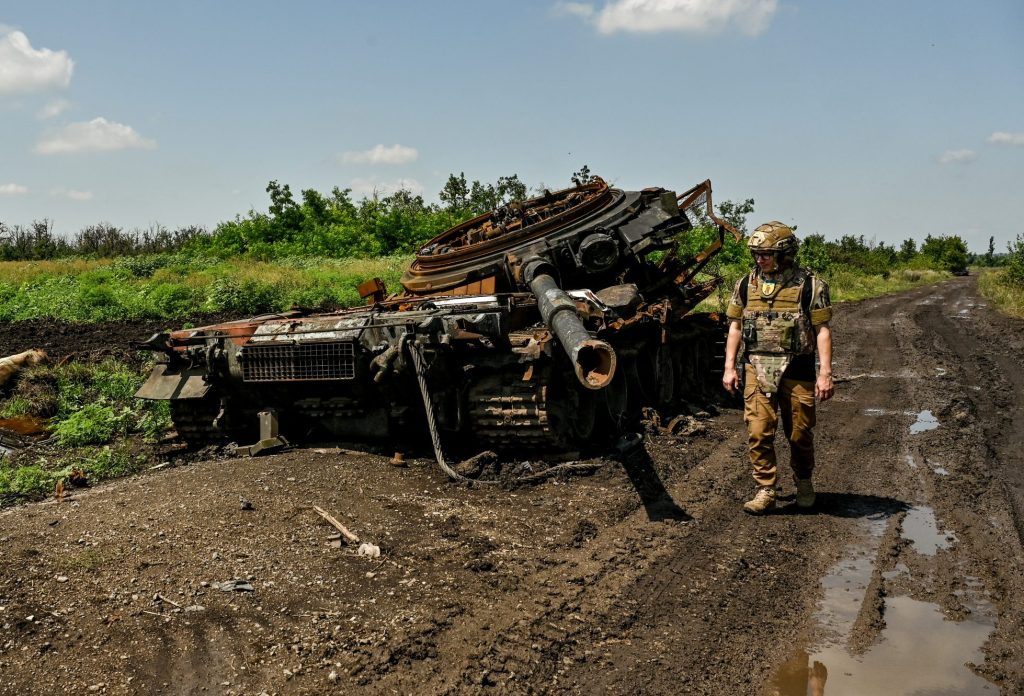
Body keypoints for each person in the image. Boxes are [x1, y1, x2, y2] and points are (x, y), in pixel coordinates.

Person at [721, 222, 834, 514]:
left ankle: (804, 482)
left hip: (798, 369)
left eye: (766, 254)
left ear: (784, 254)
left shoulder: (810, 285)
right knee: (758, 432)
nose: (760, 259)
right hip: (756, 368)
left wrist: (825, 373)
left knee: (799, 433)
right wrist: (729, 367)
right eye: (757, 254)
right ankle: (765, 489)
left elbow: (822, 330)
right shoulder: (746, 284)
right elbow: (735, 327)